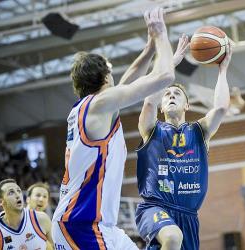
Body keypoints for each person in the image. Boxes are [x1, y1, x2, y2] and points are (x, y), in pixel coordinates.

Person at [51, 7, 175, 250]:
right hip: (82, 226)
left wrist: (150, 49)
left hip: (91, 224)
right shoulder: (100, 105)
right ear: (106, 78)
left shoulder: (91, 108)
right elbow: (166, 75)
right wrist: (161, 35)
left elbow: (129, 81)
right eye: (110, 73)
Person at [135, 39, 234, 249]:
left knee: (174, 238)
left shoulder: (200, 131)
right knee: (171, 237)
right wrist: (171, 63)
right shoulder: (152, 129)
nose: (171, 96)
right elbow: (149, 101)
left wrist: (222, 70)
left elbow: (221, 109)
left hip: (188, 217)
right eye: (167, 94)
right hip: (154, 208)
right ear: (162, 106)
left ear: (187, 105)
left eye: (177, 94)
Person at [0, 178, 53, 249]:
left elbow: (56, 246)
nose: (17, 195)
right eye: (11, 192)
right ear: (0, 202)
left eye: (19, 191)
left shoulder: (42, 218)